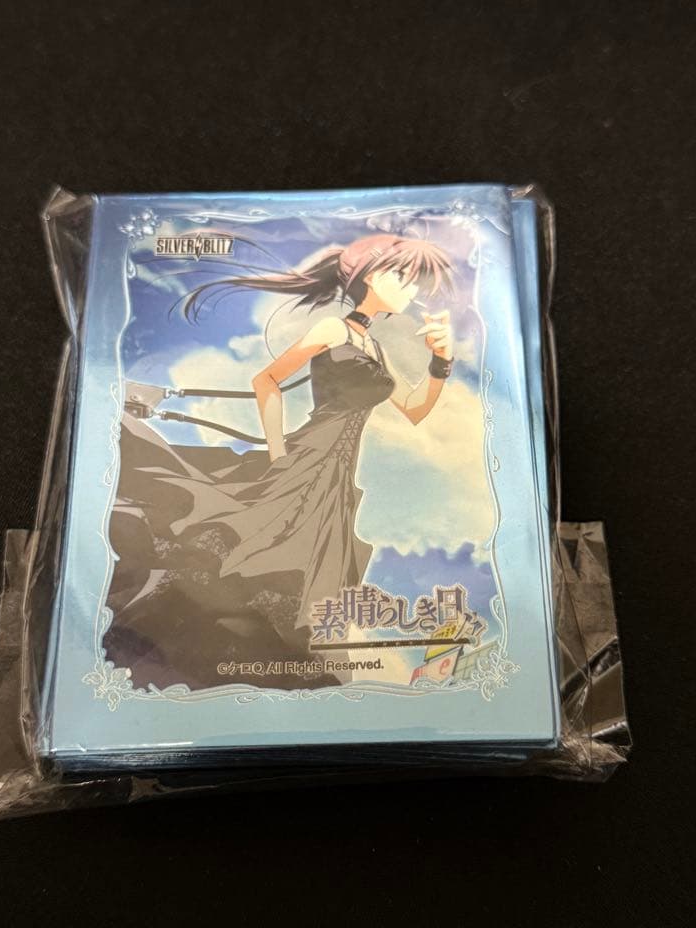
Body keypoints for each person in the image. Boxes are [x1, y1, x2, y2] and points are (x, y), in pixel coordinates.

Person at [103, 233, 456, 690]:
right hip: (306, 459)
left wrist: (441, 361)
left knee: (303, 574)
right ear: (370, 275)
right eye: (403, 276)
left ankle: (260, 664)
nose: (412, 289)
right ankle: (173, 638)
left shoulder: (376, 348)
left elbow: (415, 409)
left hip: (336, 478)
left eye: (416, 281)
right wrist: (277, 454)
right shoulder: (333, 330)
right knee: (248, 550)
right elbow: (266, 380)